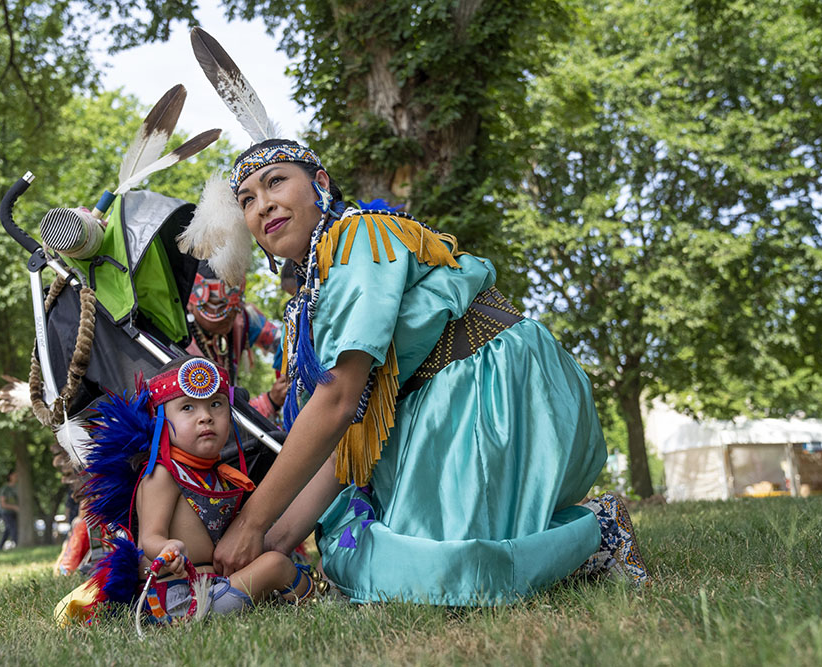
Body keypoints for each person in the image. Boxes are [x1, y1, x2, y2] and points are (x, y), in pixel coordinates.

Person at [195, 139, 649, 605]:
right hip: (446, 401)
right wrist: (271, 542)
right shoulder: (316, 287)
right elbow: (343, 440)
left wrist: (251, 523)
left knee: (433, 578)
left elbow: (336, 403)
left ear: (320, 184)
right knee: (351, 556)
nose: (263, 204)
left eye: (275, 182)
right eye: (247, 199)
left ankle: (601, 532)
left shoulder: (356, 241)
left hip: (499, 386)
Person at [58, 356, 318, 624]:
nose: (205, 417)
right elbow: (149, 537)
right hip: (180, 599)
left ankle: (292, 588)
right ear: (160, 419)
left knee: (268, 560)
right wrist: (166, 548)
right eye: (187, 408)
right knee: (275, 565)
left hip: (215, 585)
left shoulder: (219, 475)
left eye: (216, 404)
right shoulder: (161, 475)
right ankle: (314, 593)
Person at [185, 262, 289, 421]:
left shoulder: (244, 319)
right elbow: (212, 417)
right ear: (192, 302)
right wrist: (269, 402)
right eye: (218, 305)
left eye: (236, 304)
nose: (230, 315)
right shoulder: (180, 340)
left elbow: (287, 342)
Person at [0, 470, 19, 550]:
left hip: (15, 512)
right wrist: (14, 507)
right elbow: (3, 504)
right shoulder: (5, 489)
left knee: (7, 530)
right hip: (6, 512)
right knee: (13, 528)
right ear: (10, 476)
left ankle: (0, 547)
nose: (17, 476)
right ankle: (16, 545)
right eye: (14, 475)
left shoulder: (18, 487)